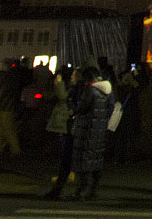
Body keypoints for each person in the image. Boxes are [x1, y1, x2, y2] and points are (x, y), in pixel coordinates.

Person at [71, 61, 114, 200]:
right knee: (96, 161)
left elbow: (81, 108)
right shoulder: (107, 90)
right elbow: (110, 108)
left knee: (84, 162)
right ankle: (92, 191)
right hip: (100, 131)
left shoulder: (90, 90)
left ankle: (81, 192)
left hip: (86, 130)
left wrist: (72, 108)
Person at [43, 65, 76, 199]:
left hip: (69, 124)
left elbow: (63, 96)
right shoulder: (68, 86)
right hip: (66, 124)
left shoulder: (71, 88)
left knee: (66, 155)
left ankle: (61, 186)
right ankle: (60, 185)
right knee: (65, 155)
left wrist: (60, 84)